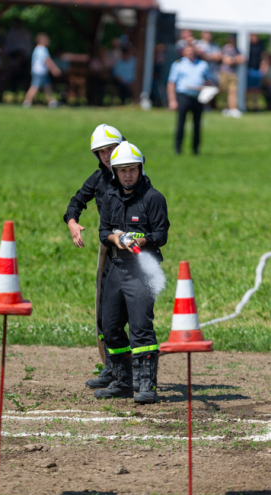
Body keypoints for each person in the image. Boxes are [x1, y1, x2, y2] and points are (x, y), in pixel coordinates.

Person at [97, 141, 170, 403]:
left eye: (132, 169)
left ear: (140, 169)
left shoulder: (153, 198)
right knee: (111, 326)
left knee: (141, 328)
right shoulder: (109, 197)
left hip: (142, 272)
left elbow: (161, 235)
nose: (127, 175)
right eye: (122, 170)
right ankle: (121, 381)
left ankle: (147, 385)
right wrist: (115, 239)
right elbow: (103, 231)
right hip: (116, 269)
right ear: (115, 172)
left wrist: (142, 241)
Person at [64, 124, 132, 390]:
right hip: (108, 250)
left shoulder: (132, 176)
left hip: (131, 250)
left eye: (110, 149)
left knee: (126, 314)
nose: (105, 156)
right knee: (104, 313)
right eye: (100, 152)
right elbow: (77, 200)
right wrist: (72, 221)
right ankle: (111, 369)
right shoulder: (99, 178)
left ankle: (130, 373)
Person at [167, 43, 215, 155]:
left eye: (192, 51)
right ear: (184, 52)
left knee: (197, 124)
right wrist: (172, 100)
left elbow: (209, 80)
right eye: (188, 51)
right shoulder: (178, 64)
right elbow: (171, 83)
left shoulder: (203, 64)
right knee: (181, 123)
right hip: (184, 95)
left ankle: (195, 149)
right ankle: (178, 149)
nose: (190, 53)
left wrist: (206, 86)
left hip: (198, 96)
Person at [22, 33, 61, 108]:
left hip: (40, 71)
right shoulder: (42, 49)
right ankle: (27, 102)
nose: (48, 41)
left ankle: (51, 102)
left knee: (47, 86)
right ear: (42, 40)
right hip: (39, 71)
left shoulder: (37, 49)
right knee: (35, 86)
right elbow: (47, 60)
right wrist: (54, 69)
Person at [219, 36, 244, 118]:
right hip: (225, 73)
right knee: (224, 92)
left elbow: (243, 59)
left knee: (233, 91)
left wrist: (233, 59)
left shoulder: (237, 49)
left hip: (233, 73)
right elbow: (227, 61)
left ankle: (233, 108)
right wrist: (236, 59)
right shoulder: (226, 48)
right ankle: (226, 108)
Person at [245, 34, 265, 111]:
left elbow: (264, 57)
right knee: (247, 89)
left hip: (257, 70)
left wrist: (263, 69)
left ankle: (255, 106)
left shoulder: (260, 46)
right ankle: (246, 105)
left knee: (256, 90)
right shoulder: (246, 45)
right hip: (248, 69)